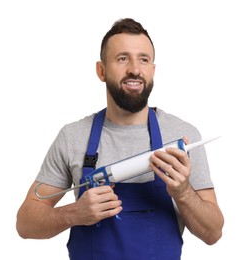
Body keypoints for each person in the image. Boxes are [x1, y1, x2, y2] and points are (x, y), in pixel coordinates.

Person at [16, 18, 224, 259]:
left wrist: (183, 192)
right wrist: (74, 213)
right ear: (101, 70)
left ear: (152, 70)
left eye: (143, 59)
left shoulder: (181, 137)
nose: (134, 69)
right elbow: (25, 224)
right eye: (122, 58)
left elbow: (213, 233)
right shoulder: (73, 137)